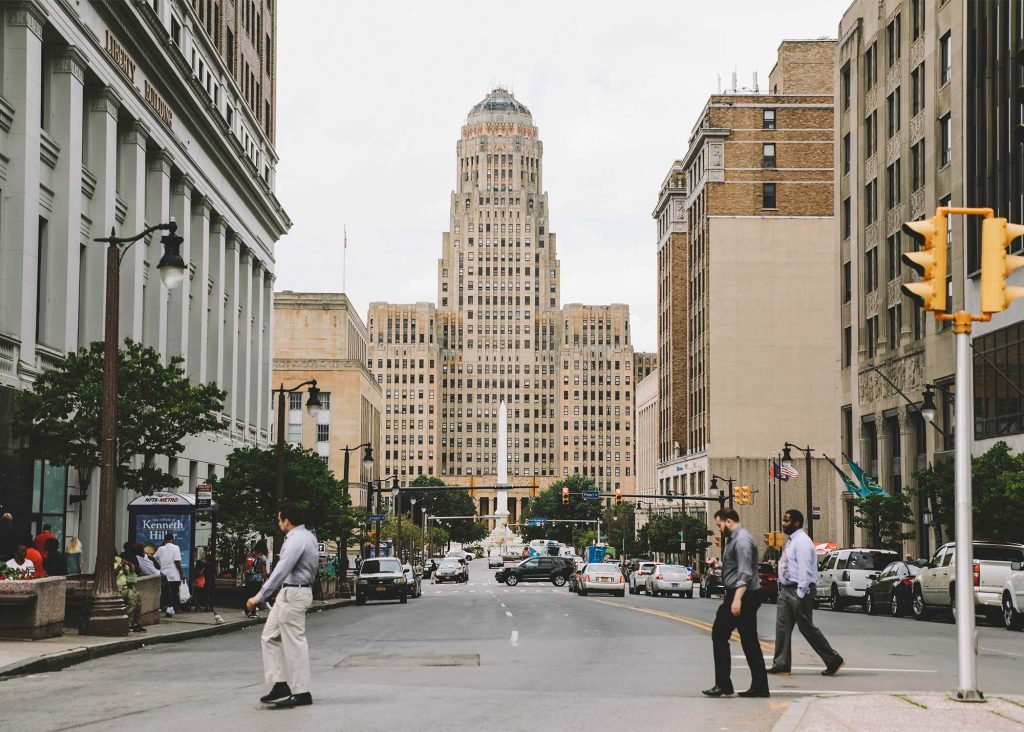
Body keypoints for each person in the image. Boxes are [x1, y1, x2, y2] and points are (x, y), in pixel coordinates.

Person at [247, 502, 319, 708]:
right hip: (289, 593)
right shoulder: (308, 537)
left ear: (287, 521)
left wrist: (259, 596)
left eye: (279, 520)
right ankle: (280, 683)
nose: (278, 523)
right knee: (269, 636)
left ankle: (302, 691)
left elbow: (281, 570)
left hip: (295, 592)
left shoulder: (297, 540)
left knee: (294, 642)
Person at [703, 508, 769, 699]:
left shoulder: (742, 541)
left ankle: (724, 684)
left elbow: (746, 574)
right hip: (744, 594)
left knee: (719, 634)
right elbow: (739, 566)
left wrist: (737, 599)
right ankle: (759, 687)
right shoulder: (737, 539)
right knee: (749, 641)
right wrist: (719, 566)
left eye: (719, 525)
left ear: (729, 521)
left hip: (743, 595)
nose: (719, 528)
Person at [768, 509, 844, 677]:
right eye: (783, 520)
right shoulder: (791, 541)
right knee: (782, 627)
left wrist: (801, 594)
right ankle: (781, 664)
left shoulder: (802, 541)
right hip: (787, 590)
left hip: (800, 590)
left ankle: (833, 659)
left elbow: (805, 569)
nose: (783, 523)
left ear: (796, 523)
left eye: (786, 521)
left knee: (806, 628)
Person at [153, 533, 185, 617]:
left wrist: (158, 566)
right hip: (174, 574)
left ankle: (167, 607)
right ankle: (172, 608)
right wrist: (181, 573)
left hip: (164, 574)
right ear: (172, 539)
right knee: (174, 592)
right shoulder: (176, 548)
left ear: (165, 540)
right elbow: (177, 562)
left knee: (165, 592)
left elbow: (153, 558)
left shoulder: (160, 549)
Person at [114, 552, 145, 633]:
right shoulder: (105, 563)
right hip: (116, 589)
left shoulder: (119, 560)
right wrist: (119, 567)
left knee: (137, 600)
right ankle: (126, 623)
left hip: (126, 587)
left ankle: (135, 624)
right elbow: (111, 575)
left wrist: (129, 566)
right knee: (132, 599)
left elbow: (132, 577)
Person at [244, 540, 270, 617]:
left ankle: (248, 611)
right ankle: (253, 612)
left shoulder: (250, 554)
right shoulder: (262, 557)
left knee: (249, 595)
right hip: (257, 578)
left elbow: (245, 567)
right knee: (255, 596)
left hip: (249, 578)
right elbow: (263, 570)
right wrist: (264, 579)